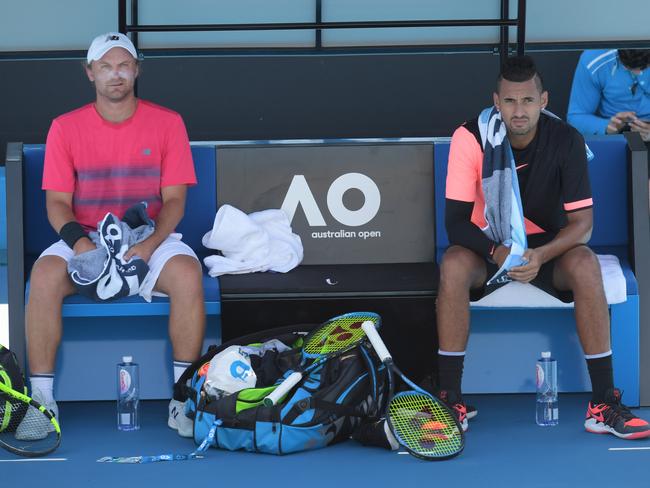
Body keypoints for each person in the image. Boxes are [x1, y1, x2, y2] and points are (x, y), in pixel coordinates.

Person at [436, 55, 650, 439]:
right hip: (491, 248)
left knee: (585, 262)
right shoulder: (470, 137)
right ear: (496, 101)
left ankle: (603, 403)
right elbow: (455, 224)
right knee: (453, 264)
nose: (519, 111)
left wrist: (539, 255)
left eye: (528, 101)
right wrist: (502, 253)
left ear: (544, 101)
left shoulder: (566, 139)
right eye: (510, 101)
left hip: (546, 250)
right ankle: (452, 398)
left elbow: (582, 226)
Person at [19, 33, 205, 439]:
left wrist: (146, 246)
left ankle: (181, 399)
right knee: (45, 277)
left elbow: (174, 201)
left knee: (189, 275)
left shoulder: (168, 122)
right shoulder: (65, 127)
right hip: (86, 237)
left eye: (124, 65)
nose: (115, 74)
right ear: (90, 73)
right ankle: (42, 400)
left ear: (137, 70)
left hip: (148, 234)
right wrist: (85, 249)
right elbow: (57, 204)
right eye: (105, 66)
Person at [568, 49, 650, 141]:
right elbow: (575, 118)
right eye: (627, 66)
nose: (638, 72)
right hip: (615, 136)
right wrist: (606, 126)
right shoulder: (593, 59)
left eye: (644, 67)